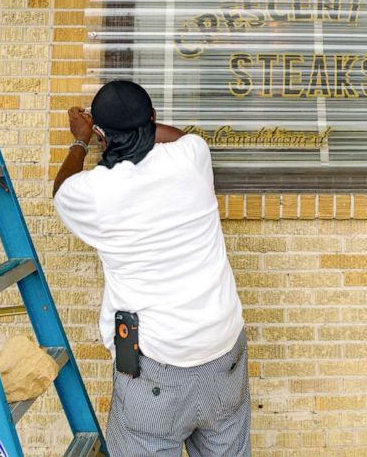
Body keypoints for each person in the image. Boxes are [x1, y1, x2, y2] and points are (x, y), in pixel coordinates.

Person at [52, 80, 250, 457]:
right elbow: (178, 135)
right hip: (223, 350)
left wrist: (82, 139)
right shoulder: (192, 157)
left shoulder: (94, 193)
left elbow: (62, 189)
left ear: (101, 134)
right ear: (152, 119)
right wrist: (136, 126)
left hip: (157, 369)